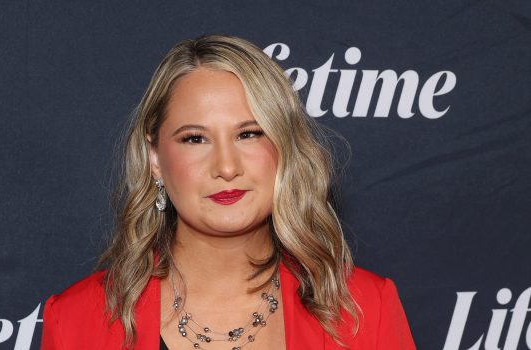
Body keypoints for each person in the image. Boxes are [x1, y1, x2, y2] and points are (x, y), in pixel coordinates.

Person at [40, 34, 416, 350]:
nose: (225, 166)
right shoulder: (76, 321)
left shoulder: (366, 309)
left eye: (249, 134)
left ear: (284, 147)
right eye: (195, 138)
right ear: (155, 157)